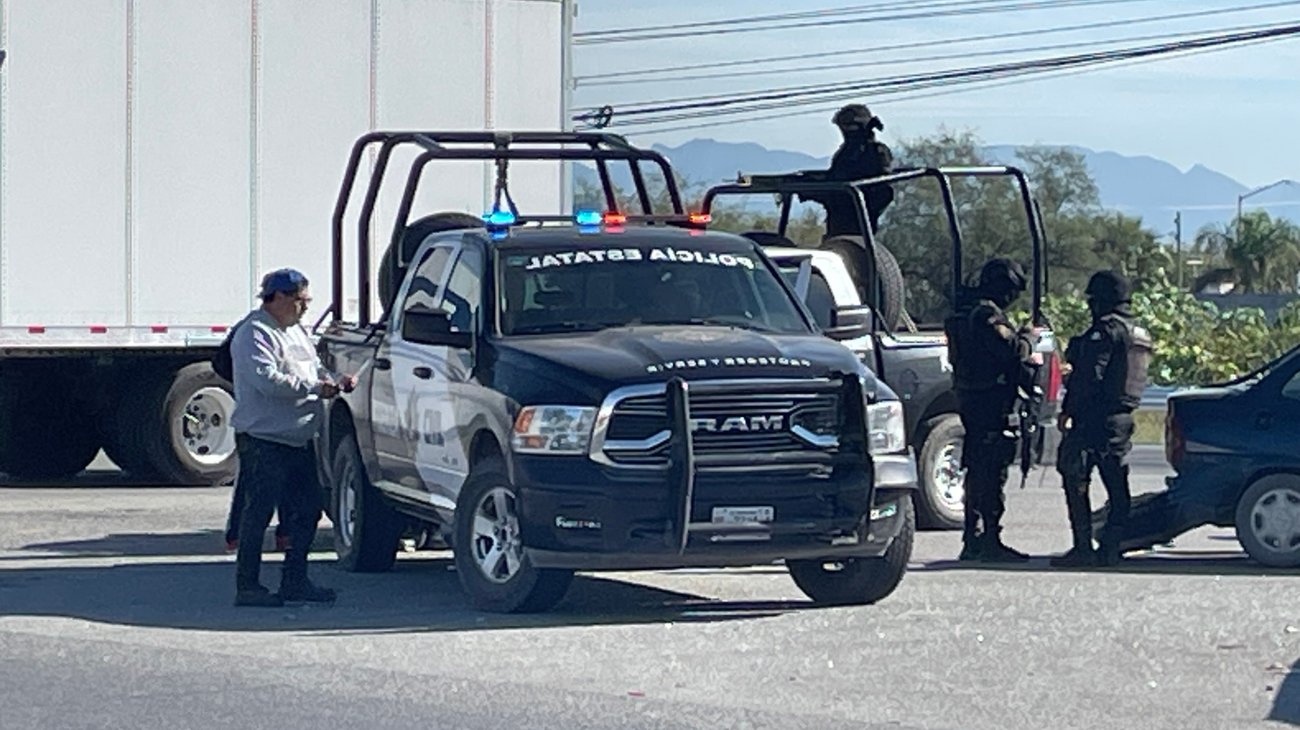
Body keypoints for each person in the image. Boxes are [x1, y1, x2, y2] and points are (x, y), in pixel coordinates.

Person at [229, 268, 356, 607]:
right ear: (278, 298)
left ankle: (295, 580)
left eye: (307, 301)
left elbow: (314, 369)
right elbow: (267, 381)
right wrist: (316, 389)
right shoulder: (254, 333)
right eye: (300, 300)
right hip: (263, 440)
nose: (305, 308)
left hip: (298, 440)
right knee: (258, 513)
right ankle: (248, 586)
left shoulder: (297, 332)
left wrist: (336, 379)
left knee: (309, 510)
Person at [1050, 271, 1152, 568]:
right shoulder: (1138, 333)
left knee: (1075, 476)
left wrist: (1069, 409)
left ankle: (1083, 547)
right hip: (1122, 419)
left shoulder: (1105, 332)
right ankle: (1111, 547)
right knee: (1117, 485)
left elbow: (1088, 378)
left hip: (1094, 418)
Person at [943, 258, 1037, 562]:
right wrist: (1028, 338)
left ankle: (975, 537)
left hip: (974, 398)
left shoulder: (964, 312)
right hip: (988, 401)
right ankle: (987, 539)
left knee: (978, 467)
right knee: (990, 470)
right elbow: (1011, 350)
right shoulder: (985, 315)